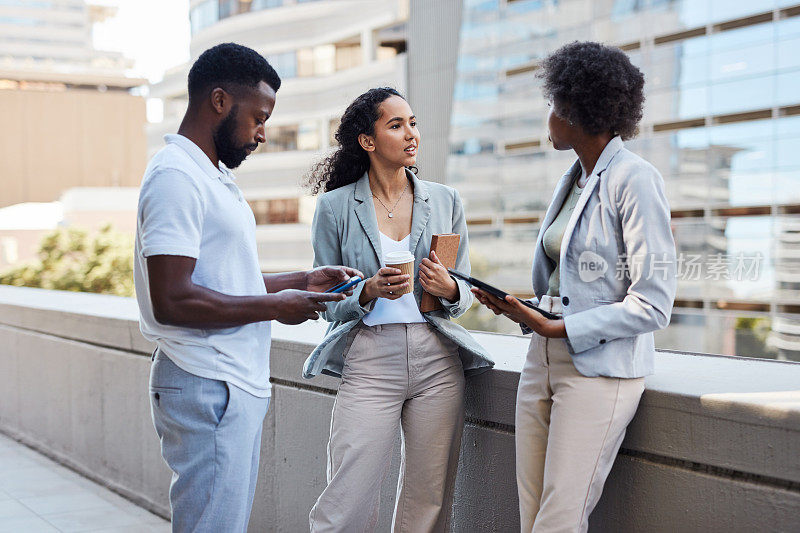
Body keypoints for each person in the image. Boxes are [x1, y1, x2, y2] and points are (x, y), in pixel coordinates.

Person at [133, 43, 359, 533]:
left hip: (224, 382)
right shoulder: (177, 177)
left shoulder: (208, 175)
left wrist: (301, 281)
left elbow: (220, 281)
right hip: (205, 381)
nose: (262, 133)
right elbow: (172, 299)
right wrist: (275, 307)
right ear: (219, 101)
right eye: (258, 117)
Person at [472, 41, 677, 532]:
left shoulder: (636, 179)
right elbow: (573, 282)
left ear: (573, 109)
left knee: (559, 519)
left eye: (552, 105)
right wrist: (526, 310)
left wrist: (559, 328)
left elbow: (654, 303)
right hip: (541, 359)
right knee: (532, 513)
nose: (548, 115)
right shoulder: (574, 179)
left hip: (599, 371)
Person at [303, 87, 493, 532]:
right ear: (367, 141)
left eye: (413, 123)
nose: (411, 134)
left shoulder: (446, 200)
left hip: (437, 360)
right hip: (369, 359)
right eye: (396, 125)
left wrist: (447, 288)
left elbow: (463, 291)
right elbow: (325, 300)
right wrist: (366, 290)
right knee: (348, 494)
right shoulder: (334, 207)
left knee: (428, 498)